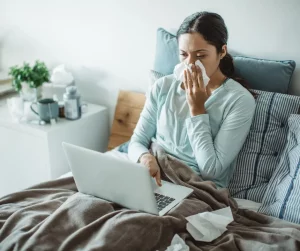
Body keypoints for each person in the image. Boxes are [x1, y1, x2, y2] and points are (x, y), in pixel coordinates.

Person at [128, 12, 256, 188]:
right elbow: (137, 142)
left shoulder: (239, 100)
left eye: (201, 55)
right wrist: (144, 157)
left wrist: (197, 109)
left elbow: (211, 170)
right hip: (154, 177)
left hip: (196, 188)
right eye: (183, 54)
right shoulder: (163, 86)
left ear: (222, 52)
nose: (191, 64)